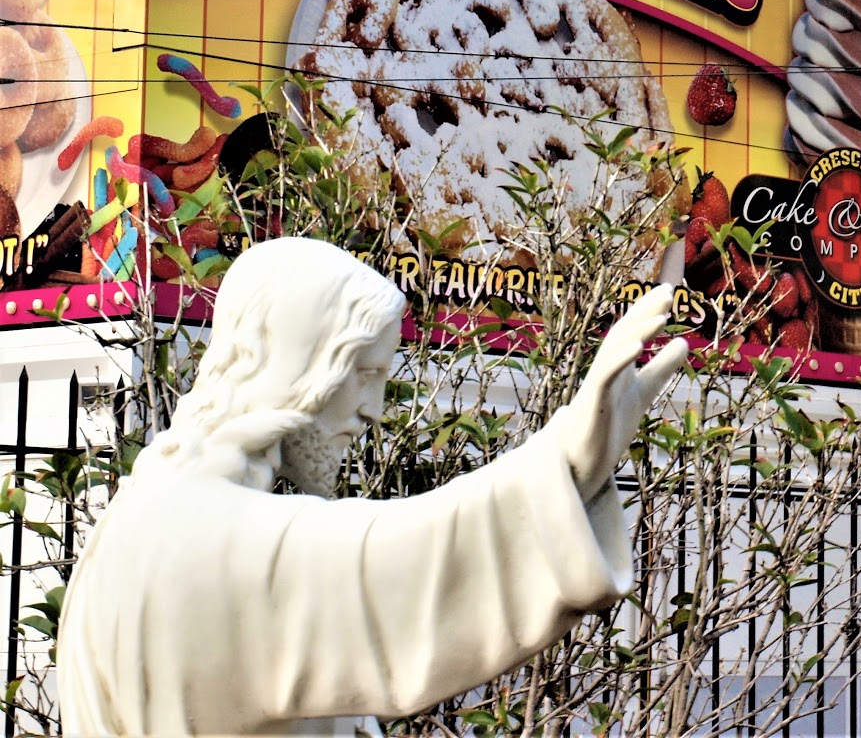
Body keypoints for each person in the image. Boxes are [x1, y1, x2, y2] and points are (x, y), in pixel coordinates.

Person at [57, 237, 687, 737]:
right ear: (295, 362)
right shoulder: (210, 539)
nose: (374, 410)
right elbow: (405, 561)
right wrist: (571, 459)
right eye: (364, 373)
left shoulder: (146, 511)